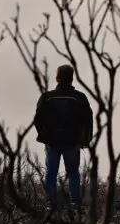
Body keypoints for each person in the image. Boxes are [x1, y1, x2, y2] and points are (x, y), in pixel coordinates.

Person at [33, 64, 93, 212]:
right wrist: (84, 140)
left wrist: (44, 135)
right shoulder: (79, 97)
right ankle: (75, 203)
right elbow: (88, 120)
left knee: (51, 172)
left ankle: (50, 203)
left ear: (57, 77)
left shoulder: (47, 97)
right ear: (72, 78)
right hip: (72, 141)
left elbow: (37, 119)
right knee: (73, 172)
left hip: (52, 141)